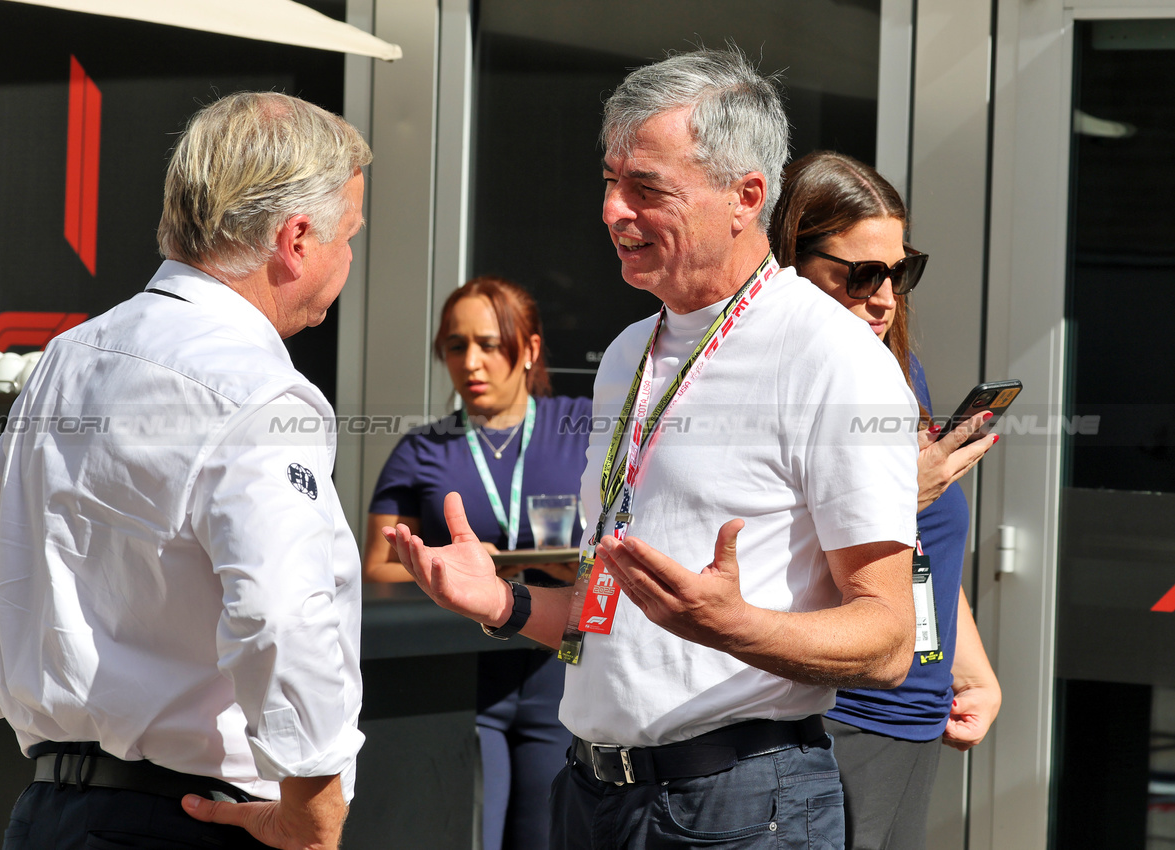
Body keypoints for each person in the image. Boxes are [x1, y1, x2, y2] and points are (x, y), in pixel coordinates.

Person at [383, 47, 921, 849]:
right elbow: (611, 621)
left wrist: (734, 624)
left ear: (745, 197)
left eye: (645, 188)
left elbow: (886, 642)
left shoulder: (833, 358)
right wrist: (503, 603)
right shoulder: (631, 351)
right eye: (610, 180)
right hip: (596, 794)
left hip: (741, 802)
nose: (611, 210)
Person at [0, 92, 370, 850]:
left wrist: (53, 717)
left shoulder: (73, 356)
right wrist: (314, 813)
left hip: (53, 813)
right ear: (296, 238)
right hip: (193, 820)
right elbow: (282, 615)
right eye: (348, 235)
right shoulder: (262, 390)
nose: (349, 256)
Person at [770, 150, 1003, 850]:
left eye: (898, 273)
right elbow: (764, 550)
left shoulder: (895, 373)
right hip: (836, 713)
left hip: (914, 708)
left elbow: (916, 547)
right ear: (791, 259)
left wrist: (969, 670)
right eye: (861, 274)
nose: (883, 296)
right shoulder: (775, 379)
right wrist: (903, 492)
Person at [364, 276, 590, 850]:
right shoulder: (423, 448)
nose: (472, 361)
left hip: (559, 669)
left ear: (529, 350)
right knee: (469, 836)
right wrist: (449, 569)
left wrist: (579, 567)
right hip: (463, 677)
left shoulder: (582, 426)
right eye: (456, 345)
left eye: (490, 344)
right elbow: (378, 570)